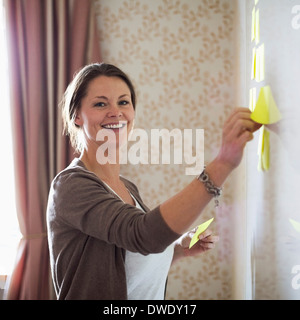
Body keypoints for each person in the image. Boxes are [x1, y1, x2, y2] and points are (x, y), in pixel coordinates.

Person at [46, 63, 260, 300]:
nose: (116, 112)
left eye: (123, 102)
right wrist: (223, 164)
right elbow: (145, 235)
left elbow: (136, 261)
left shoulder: (127, 187)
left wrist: (177, 250)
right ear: (76, 116)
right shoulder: (70, 186)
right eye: (100, 103)